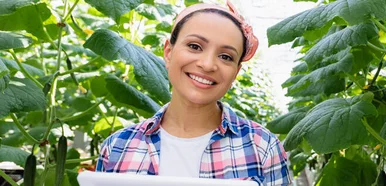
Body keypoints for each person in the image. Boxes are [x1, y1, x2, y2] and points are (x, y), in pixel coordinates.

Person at [95, 1, 292, 185]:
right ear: (168, 52)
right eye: (194, 46)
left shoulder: (262, 146)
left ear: (236, 72)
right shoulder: (117, 147)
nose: (207, 64)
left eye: (226, 56)